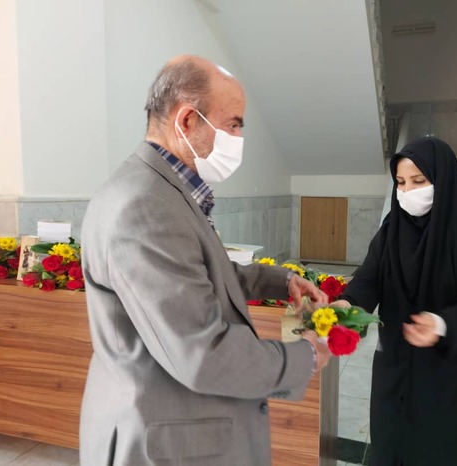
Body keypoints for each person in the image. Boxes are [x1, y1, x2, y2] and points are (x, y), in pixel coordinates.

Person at [79, 55, 332, 466]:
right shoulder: (145, 205)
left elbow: (200, 272)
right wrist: (305, 356)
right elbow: (204, 355)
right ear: (187, 121)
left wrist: (280, 281)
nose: (238, 138)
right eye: (233, 124)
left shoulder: (162, 190)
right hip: (165, 441)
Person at [333, 137, 457, 465]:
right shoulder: (393, 229)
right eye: (400, 183)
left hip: (452, 376)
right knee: (392, 445)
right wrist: (348, 303)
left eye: (419, 181)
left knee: (441, 452)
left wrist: (442, 324)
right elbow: (370, 277)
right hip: (396, 368)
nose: (407, 192)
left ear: (443, 179)